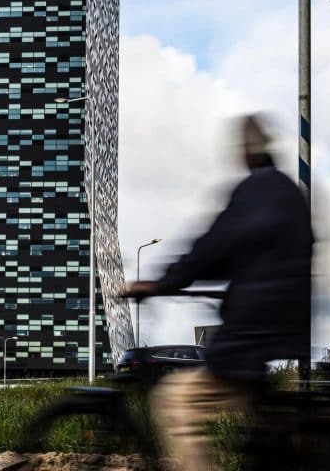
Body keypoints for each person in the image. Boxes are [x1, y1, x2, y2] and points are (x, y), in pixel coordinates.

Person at [121, 114, 313, 470]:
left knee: (176, 401)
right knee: (267, 428)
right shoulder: (290, 195)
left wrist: (161, 284)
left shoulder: (254, 192)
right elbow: (239, 255)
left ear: (246, 153)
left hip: (252, 334)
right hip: (286, 330)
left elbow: (211, 249)